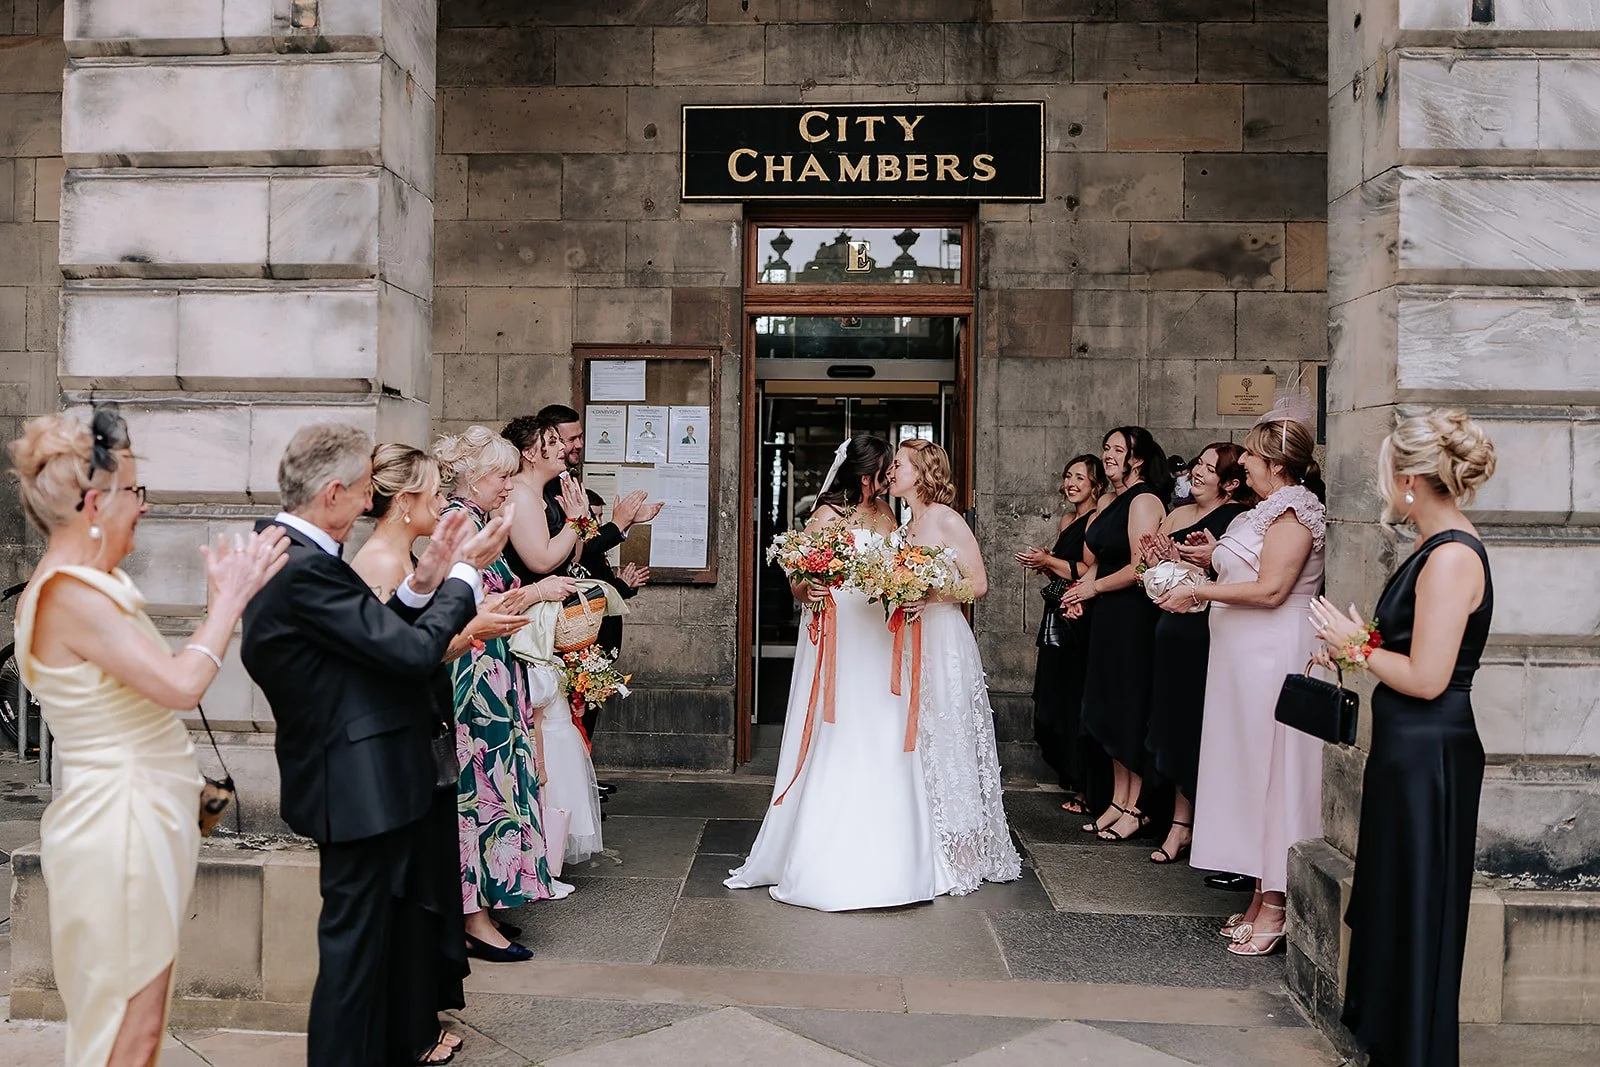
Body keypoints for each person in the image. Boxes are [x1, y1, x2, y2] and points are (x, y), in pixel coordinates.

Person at [9, 408, 286, 1067]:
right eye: (135, 491)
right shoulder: (69, 593)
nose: (146, 505)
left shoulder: (87, 587)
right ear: (93, 502)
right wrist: (228, 601)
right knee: (125, 1032)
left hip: (135, 817)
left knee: (136, 1023)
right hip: (119, 824)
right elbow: (179, 685)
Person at [241, 422, 508, 1067]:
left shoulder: (291, 552)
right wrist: (465, 577)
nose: (369, 504)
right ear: (332, 492)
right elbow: (411, 655)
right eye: (363, 491)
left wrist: (426, 582)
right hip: (353, 783)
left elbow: (370, 639)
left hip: (362, 778)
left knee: (368, 952)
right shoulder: (299, 566)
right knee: (352, 961)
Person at [349, 445, 551, 1063]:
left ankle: (418, 1023)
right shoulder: (380, 562)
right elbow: (397, 659)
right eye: (435, 493)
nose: (442, 504)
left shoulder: (401, 555)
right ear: (405, 501)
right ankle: (404, 1033)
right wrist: (472, 631)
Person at [1312, 413, 1496, 1067]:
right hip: (1407, 753)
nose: (1382, 486)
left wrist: (1354, 648)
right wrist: (1355, 644)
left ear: (1411, 480)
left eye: (1387, 473)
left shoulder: (1449, 557)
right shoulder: (1429, 546)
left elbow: (1426, 676)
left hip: (1429, 757)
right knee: (1395, 906)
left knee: (1417, 915)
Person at [726, 435, 954, 910]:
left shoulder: (890, 517)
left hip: (878, 632)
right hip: (840, 631)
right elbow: (798, 572)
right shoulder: (829, 512)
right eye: (886, 469)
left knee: (885, 727)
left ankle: (899, 853)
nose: (891, 476)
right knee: (840, 725)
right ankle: (826, 853)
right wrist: (803, 590)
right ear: (866, 474)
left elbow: (898, 566)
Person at [1168, 417, 1326, 958]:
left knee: (1272, 769)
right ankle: (1261, 890)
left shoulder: (1295, 510)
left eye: (1252, 457)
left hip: (1272, 653)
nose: (1245, 465)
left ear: (1277, 466)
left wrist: (1200, 593)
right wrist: (1209, 555)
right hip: (1242, 657)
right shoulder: (1265, 509)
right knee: (1249, 769)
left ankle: (1278, 902)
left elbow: (1274, 589)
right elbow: (1249, 567)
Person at [434, 427, 578, 963]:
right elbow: (458, 603)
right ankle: (472, 916)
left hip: (490, 669)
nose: (507, 484)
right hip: (473, 675)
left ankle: (483, 904)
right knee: (479, 792)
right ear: (474, 477)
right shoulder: (458, 524)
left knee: (494, 787)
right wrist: (537, 592)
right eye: (499, 475)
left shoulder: (476, 519)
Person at [888, 439, 1022, 894]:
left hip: (943, 638)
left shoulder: (947, 519)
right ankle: (925, 840)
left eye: (899, 464)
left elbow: (978, 584)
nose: (891, 470)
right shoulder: (905, 528)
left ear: (923, 472)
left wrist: (930, 595)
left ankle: (963, 851)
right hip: (908, 641)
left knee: (948, 733)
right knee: (918, 736)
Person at [1144, 443, 1255, 865]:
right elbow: (1155, 576)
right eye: (1199, 464)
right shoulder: (1177, 512)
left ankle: (1186, 824)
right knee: (1170, 723)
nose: (1198, 472)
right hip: (1170, 625)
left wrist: (1204, 563)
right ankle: (1178, 817)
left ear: (1230, 482)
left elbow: (1234, 576)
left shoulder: (1236, 520)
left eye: (1210, 468)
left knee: (1194, 725)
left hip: (1202, 632)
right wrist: (1162, 562)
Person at [1061, 426, 1173, 842]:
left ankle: (1137, 807)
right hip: (1104, 613)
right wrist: (1079, 592)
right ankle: (1116, 799)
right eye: (1106, 447)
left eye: (1117, 450)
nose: (1108, 455)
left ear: (1137, 459)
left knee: (1127, 706)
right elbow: (1102, 561)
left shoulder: (1143, 500)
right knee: (1105, 706)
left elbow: (1142, 568)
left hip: (1131, 615)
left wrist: (1095, 587)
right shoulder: (1109, 499)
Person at [1016, 454, 1106, 815]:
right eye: (1068, 476)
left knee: (1071, 695)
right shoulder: (1068, 518)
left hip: (1078, 616)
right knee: (1049, 695)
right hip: (1057, 609)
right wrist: (1047, 564)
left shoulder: (1094, 521)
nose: (1071, 483)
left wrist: (1047, 561)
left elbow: (1086, 569)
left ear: (1095, 484)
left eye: (1080, 478)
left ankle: (1085, 787)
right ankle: (1071, 776)